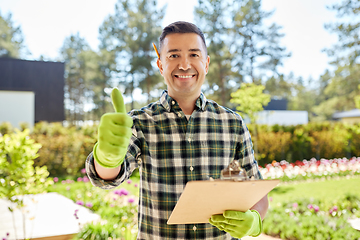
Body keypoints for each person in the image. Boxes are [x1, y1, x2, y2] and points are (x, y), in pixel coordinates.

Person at [85, 21, 268, 239]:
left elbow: (257, 192)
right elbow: (108, 178)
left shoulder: (233, 124)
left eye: (193, 55)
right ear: (160, 65)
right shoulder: (140, 122)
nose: (184, 65)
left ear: (206, 63)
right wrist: (107, 157)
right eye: (173, 56)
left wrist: (255, 220)